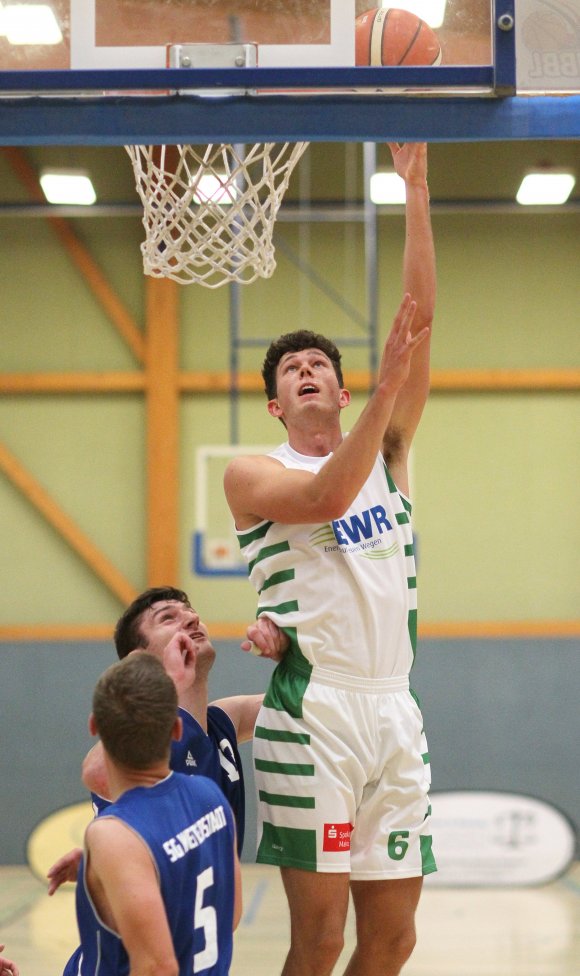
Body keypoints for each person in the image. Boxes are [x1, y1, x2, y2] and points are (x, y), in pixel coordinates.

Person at [223, 142, 436, 976]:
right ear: (277, 403)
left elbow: (417, 319)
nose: (306, 370)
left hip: (395, 709)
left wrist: (414, 193)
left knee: (394, 939)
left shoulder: (386, 451)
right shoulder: (258, 473)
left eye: (319, 364)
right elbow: (323, 502)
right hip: (313, 715)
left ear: (339, 392)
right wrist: (384, 386)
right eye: (291, 370)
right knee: (318, 939)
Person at [48, 585, 286, 897]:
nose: (191, 618)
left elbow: (306, 701)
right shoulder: (138, 739)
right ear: (139, 660)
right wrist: (167, 683)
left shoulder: (224, 720)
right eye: (168, 618)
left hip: (201, 934)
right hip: (139, 938)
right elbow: (97, 773)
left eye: (189, 611)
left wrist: (290, 653)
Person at [74, 651, 241, 976]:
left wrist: (117, 856)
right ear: (177, 730)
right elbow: (230, 915)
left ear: (95, 726)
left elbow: (157, 968)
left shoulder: (114, 835)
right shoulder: (211, 797)